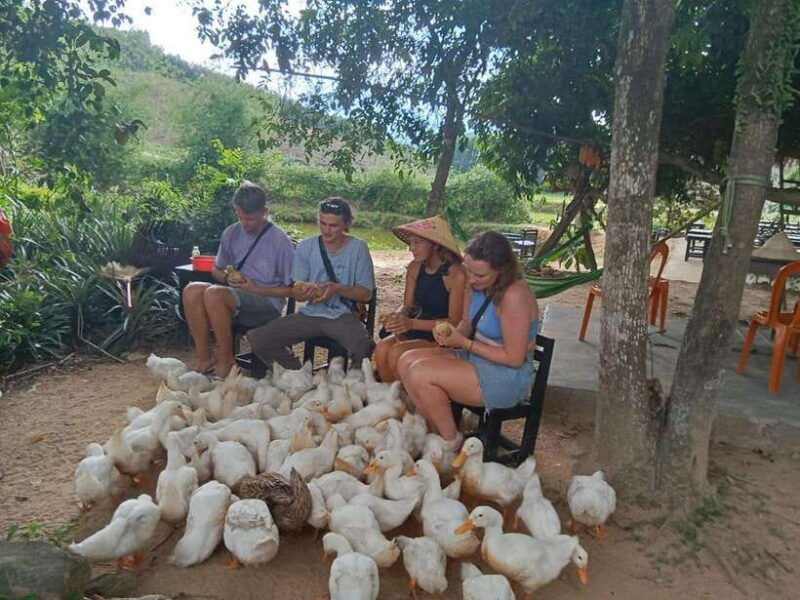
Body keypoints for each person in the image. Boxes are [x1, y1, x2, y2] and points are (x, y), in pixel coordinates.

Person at [397, 230, 540, 447]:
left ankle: (450, 441)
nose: (471, 279)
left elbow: (514, 358)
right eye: (469, 271)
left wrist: (464, 343)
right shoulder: (474, 284)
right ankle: (436, 433)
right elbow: (466, 324)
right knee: (406, 360)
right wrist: (449, 335)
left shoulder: (514, 295)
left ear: (502, 271)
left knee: (420, 373)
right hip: (476, 357)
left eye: (480, 275)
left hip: (506, 375)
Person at [182, 182, 294, 377]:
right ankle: (205, 358)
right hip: (233, 297)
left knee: (215, 294)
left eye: (250, 219)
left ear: (265, 212)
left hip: (267, 303)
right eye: (240, 217)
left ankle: (227, 361)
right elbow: (216, 270)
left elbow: (293, 289)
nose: (245, 224)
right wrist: (227, 278)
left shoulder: (280, 241)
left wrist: (256, 288)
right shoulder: (231, 233)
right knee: (192, 290)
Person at [247, 197, 375, 369]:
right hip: (310, 314)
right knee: (259, 339)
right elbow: (298, 293)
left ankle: (352, 382)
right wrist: (305, 291)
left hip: (343, 315)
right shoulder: (306, 246)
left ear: (347, 224)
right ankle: (297, 375)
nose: (327, 230)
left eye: (333, 225)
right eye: (322, 223)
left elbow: (366, 294)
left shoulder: (358, 247)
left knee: (363, 348)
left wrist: (336, 288)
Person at [374, 215, 466, 382]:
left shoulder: (455, 274)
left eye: (417, 243)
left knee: (396, 353)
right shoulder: (414, 268)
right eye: (411, 243)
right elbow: (407, 306)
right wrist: (398, 317)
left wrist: (412, 324)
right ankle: (389, 395)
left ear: (436, 245)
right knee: (381, 349)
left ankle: (408, 395)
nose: (411, 248)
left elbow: (455, 322)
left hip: (441, 337)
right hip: (416, 327)